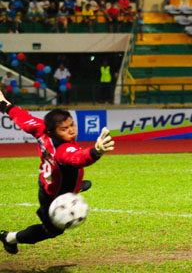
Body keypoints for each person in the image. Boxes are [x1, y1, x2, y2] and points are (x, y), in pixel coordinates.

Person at [0, 91, 115, 254]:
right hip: (53, 195)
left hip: (50, 178)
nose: (71, 131)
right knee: (53, 231)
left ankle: (74, 187)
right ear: (53, 131)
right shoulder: (62, 150)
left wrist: (4, 103)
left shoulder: (40, 128)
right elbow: (77, 158)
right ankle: (9, 238)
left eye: (71, 125)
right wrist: (95, 152)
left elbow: (20, 117)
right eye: (64, 129)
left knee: (69, 174)